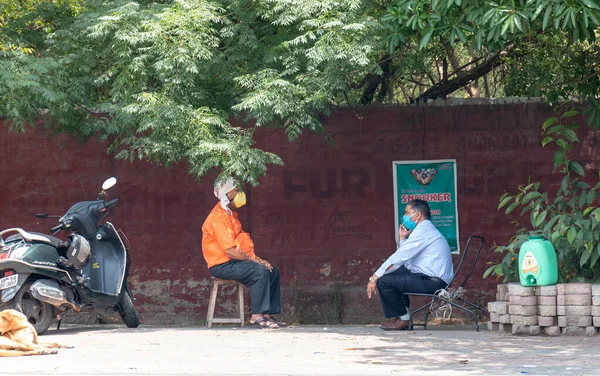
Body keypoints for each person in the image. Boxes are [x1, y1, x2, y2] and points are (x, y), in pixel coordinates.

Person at [202, 177, 284, 329]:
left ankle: (267, 315)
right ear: (229, 193)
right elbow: (231, 251)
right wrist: (253, 262)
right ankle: (256, 317)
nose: (239, 193)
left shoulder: (230, 215)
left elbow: (241, 244)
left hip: (234, 262)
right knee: (259, 271)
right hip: (222, 265)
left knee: (271, 271)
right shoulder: (218, 217)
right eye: (236, 190)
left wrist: (256, 258)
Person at [367, 199, 453, 330]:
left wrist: (375, 277)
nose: (405, 216)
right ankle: (402, 316)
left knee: (384, 281)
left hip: (433, 282)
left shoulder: (423, 231)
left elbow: (400, 257)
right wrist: (403, 238)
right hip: (428, 278)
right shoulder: (424, 229)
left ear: (417, 215)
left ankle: (404, 319)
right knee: (393, 272)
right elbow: (406, 259)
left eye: (407, 213)